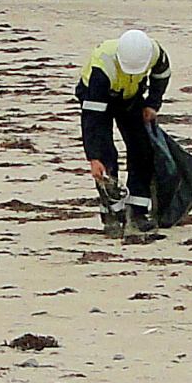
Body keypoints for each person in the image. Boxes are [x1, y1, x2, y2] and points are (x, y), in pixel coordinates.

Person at [75, 28, 170, 240]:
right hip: (100, 98)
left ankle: (137, 211)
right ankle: (111, 213)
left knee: (142, 149)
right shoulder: (103, 69)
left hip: (132, 97)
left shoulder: (154, 52)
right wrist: (94, 156)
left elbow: (162, 74)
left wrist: (153, 103)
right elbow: (93, 121)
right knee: (107, 155)